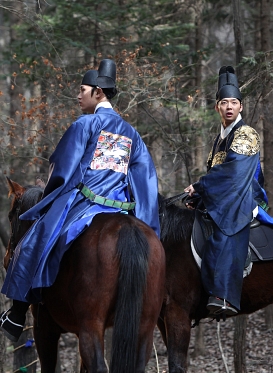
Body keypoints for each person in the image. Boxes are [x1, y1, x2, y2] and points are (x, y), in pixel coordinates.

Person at [0, 59, 160, 342]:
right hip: (122, 207)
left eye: (82, 90)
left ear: (98, 92)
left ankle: (17, 313)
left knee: (34, 237)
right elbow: (145, 180)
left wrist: (47, 198)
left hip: (86, 204)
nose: (78, 95)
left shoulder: (86, 124)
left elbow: (62, 170)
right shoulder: (132, 134)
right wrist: (147, 222)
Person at [184, 66, 273, 317]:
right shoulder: (219, 139)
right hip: (224, 197)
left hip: (243, 197)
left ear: (241, 107)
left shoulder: (246, 134)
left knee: (225, 231)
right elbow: (217, 174)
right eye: (224, 102)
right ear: (217, 108)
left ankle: (225, 296)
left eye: (234, 102)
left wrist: (200, 185)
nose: (229, 107)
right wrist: (199, 196)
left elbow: (233, 173)